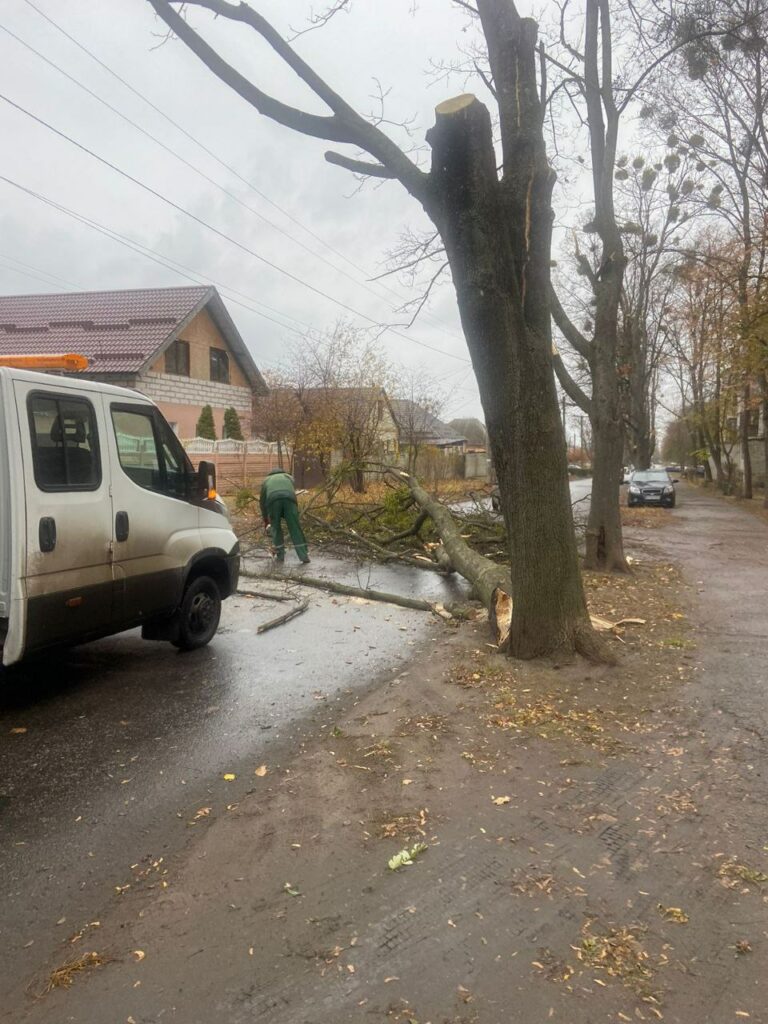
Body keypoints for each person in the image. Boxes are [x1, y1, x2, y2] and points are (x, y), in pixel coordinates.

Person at [259, 467, 310, 564]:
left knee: (276, 528)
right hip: (290, 500)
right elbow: (291, 492)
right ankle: (304, 556)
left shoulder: (266, 480)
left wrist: (266, 519)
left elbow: (262, 502)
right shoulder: (288, 477)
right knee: (295, 527)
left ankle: (280, 556)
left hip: (273, 501)